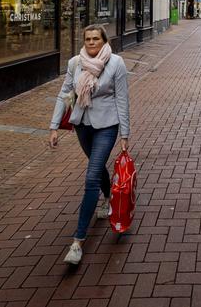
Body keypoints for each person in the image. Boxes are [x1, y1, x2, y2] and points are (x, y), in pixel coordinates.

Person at [49, 24, 130, 265]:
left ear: (104, 41)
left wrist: (125, 134)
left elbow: (122, 99)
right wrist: (53, 126)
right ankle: (107, 196)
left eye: (96, 39)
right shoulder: (75, 63)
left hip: (107, 125)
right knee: (97, 168)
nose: (91, 43)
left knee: (91, 176)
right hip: (82, 125)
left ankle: (77, 242)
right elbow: (64, 94)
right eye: (87, 39)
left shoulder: (116, 63)